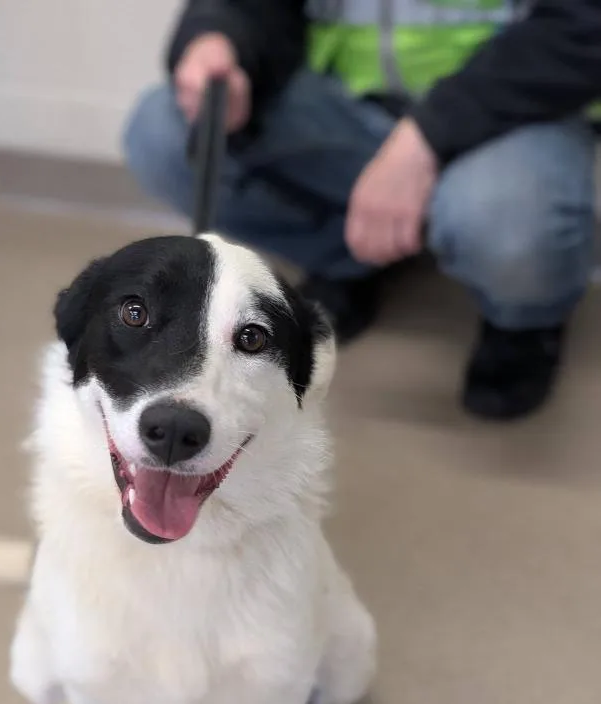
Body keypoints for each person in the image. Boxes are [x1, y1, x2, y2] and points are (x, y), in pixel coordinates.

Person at [123, 1, 601, 421]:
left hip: (508, 109)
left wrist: (427, 137)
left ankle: (524, 321)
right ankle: (352, 255)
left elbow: (585, 23)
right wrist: (220, 34)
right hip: (347, 102)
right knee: (164, 131)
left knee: (510, 220)